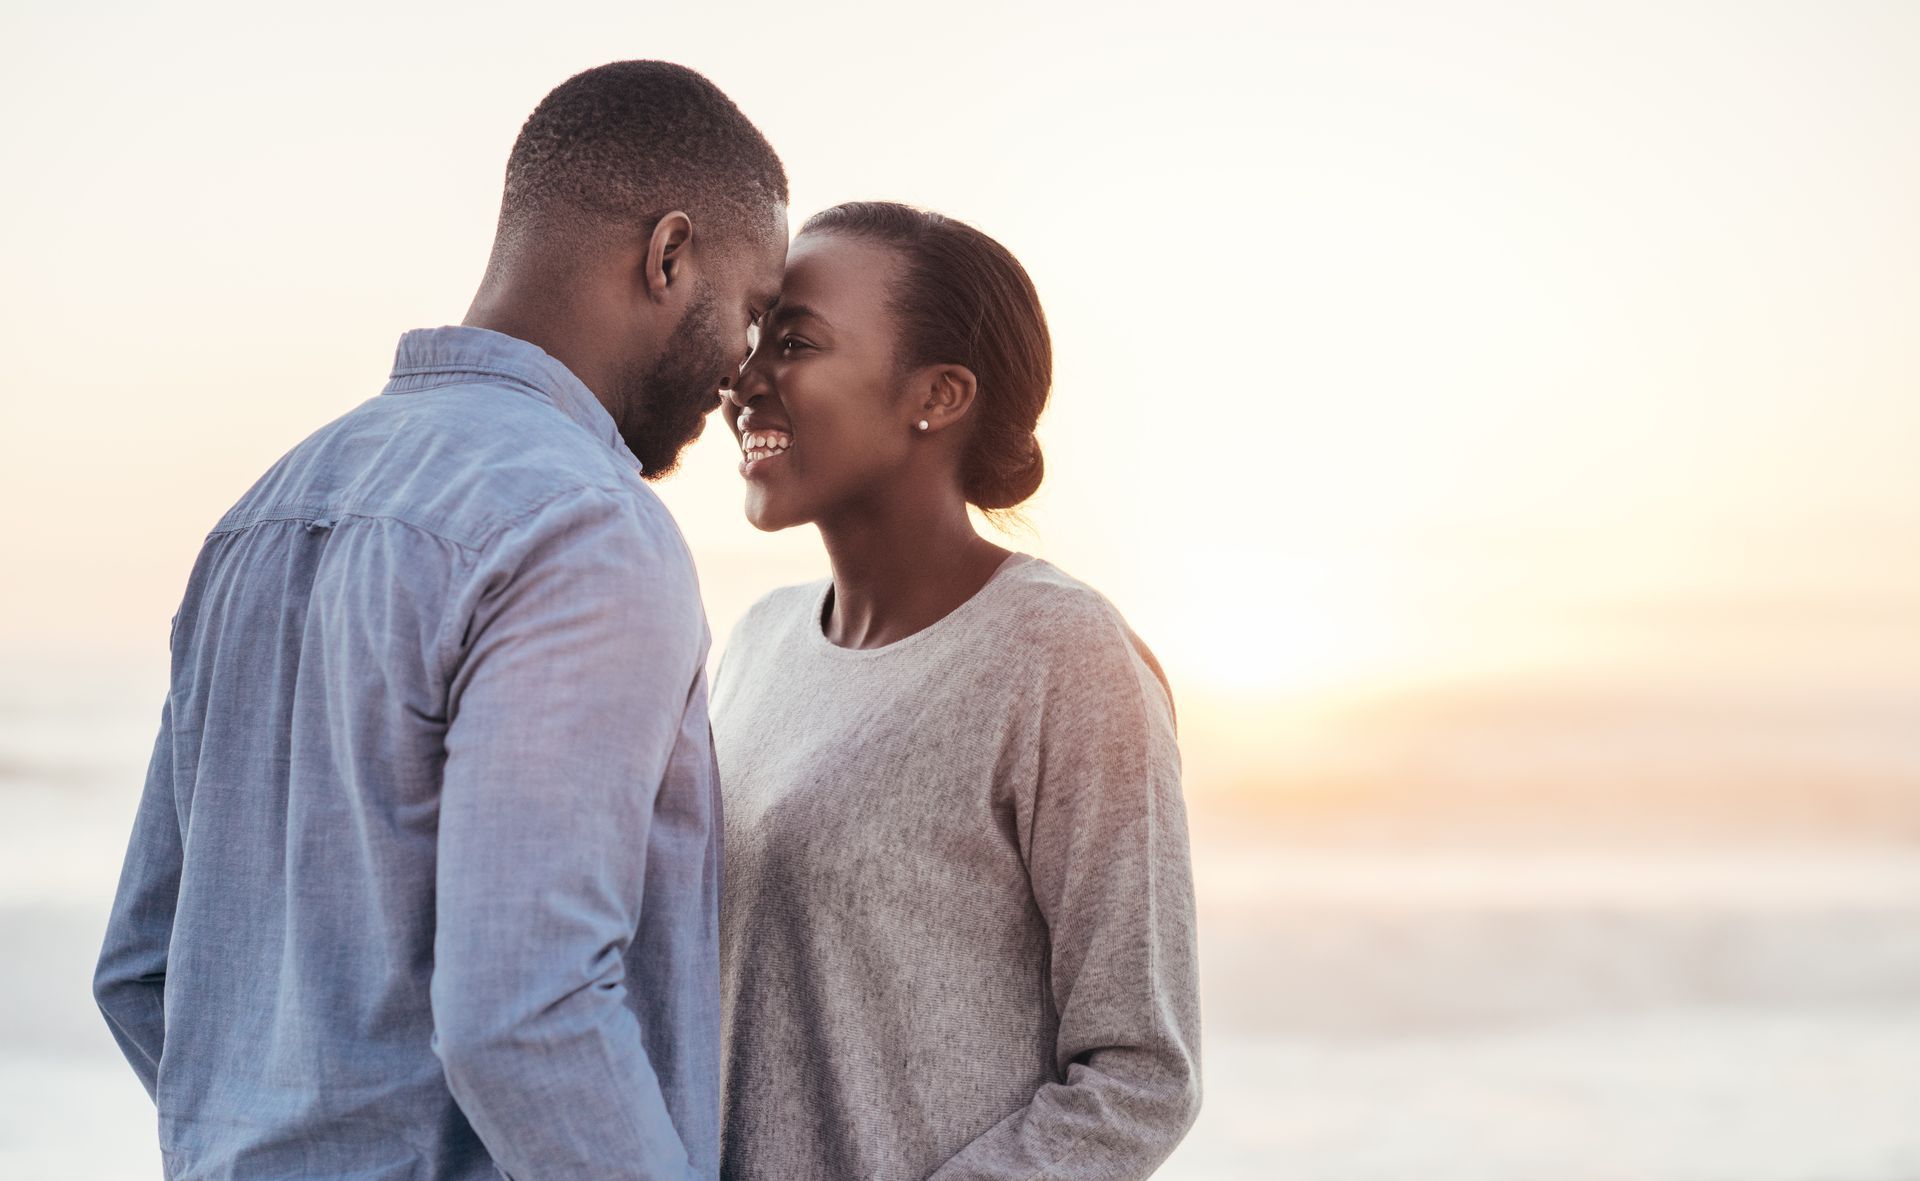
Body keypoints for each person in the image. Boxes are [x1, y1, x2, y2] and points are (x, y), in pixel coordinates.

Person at [92, 61, 787, 1181]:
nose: (743, 372)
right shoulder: (588, 528)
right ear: (669, 255)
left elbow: (142, 966)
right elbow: (525, 1011)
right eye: (752, 314)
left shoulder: (264, 511)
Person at [712, 201, 1201, 1180]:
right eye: (757, 339)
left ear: (936, 395)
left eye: (795, 343)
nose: (745, 380)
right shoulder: (759, 639)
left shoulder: (1063, 654)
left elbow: (1140, 1073)